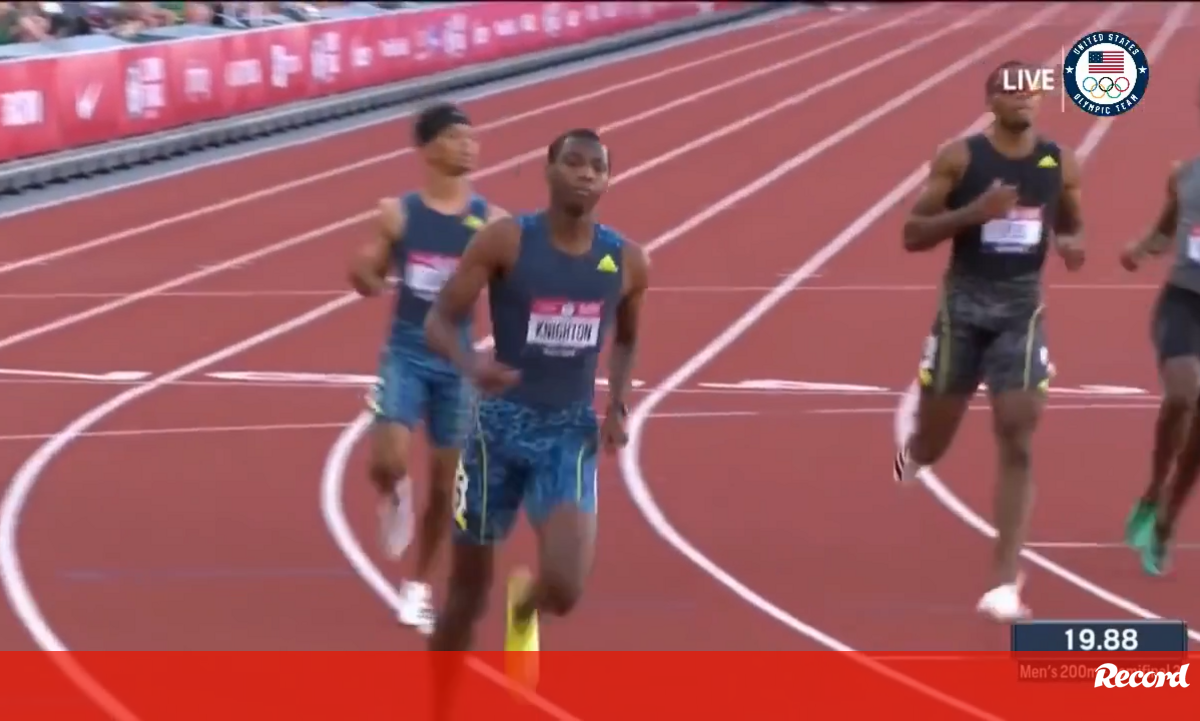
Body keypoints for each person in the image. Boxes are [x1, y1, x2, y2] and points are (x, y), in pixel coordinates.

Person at [423, 128, 648, 703]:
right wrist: (472, 366)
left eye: (597, 167)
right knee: (466, 598)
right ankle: (438, 703)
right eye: (574, 163)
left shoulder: (625, 260)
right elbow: (439, 320)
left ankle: (525, 605)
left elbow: (626, 338)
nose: (586, 174)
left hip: (567, 433)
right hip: (494, 433)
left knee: (566, 587)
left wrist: (617, 404)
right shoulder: (507, 241)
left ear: (608, 180)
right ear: (548, 170)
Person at [891, 61, 1084, 621]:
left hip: (1021, 311)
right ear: (991, 100)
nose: (1024, 97)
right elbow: (912, 234)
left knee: (1018, 431)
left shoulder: (1059, 161)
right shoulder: (960, 158)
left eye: (1032, 90)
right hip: (963, 311)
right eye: (1011, 89)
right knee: (933, 443)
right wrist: (977, 212)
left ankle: (1003, 582)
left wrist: (1072, 243)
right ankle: (911, 455)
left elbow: (1071, 221)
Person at [348, 102, 501, 633]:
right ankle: (393, 493)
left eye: (472, 137)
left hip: (456, 361)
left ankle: (417, 588)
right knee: (387, 460)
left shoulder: (491, 222)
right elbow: (367, 278)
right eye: (457, 137)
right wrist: (368, 266)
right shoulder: (400, 213)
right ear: (429, 147)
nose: (469, 146)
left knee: (444, 486)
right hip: (407, 351)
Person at [1119, 158, 1200, 575]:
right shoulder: (1186, 175)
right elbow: (1166, 231)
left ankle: (1167, 517)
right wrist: (1139, 248)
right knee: (1183, 395)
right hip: (1183, 304)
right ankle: (1153, 490)